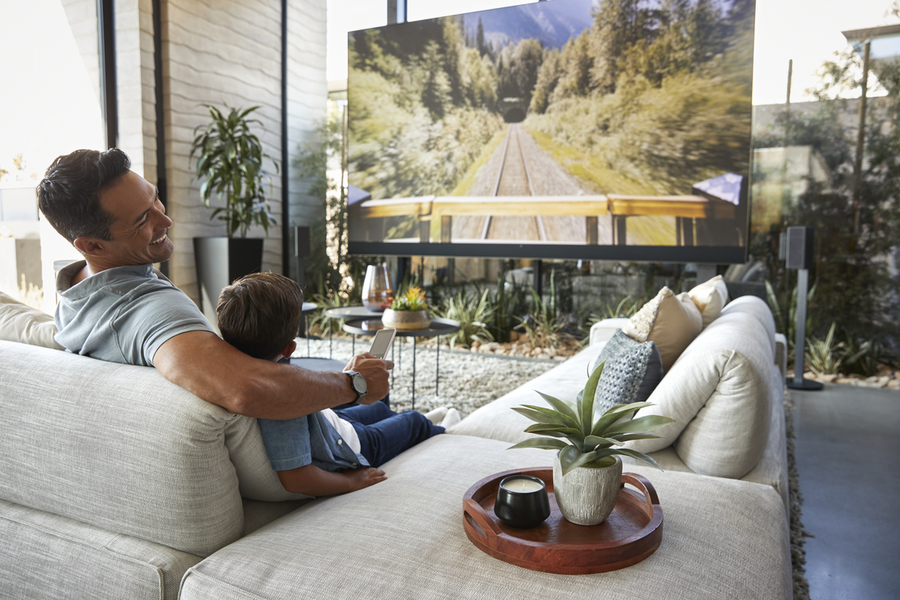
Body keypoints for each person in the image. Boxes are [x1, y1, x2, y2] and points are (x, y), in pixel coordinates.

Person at [37, 148, 390, 419]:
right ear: (91, 245)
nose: (166, 218)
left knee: (379, 413)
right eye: (143, 219)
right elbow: (246, 389)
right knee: (397, 417)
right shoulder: (152, 311)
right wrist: (354, 383)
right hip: (299, 458)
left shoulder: (74, 289)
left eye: (154, 198)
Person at [216, 272, 458, 496]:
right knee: (412, 421)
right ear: (290, 348)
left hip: (329, 422)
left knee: (378, 407)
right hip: (352, 446)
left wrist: (346, 380)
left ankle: (421, 420)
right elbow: (296, 479)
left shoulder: (226, 370)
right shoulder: (281, 398)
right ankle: (446, 431)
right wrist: (353, 481)